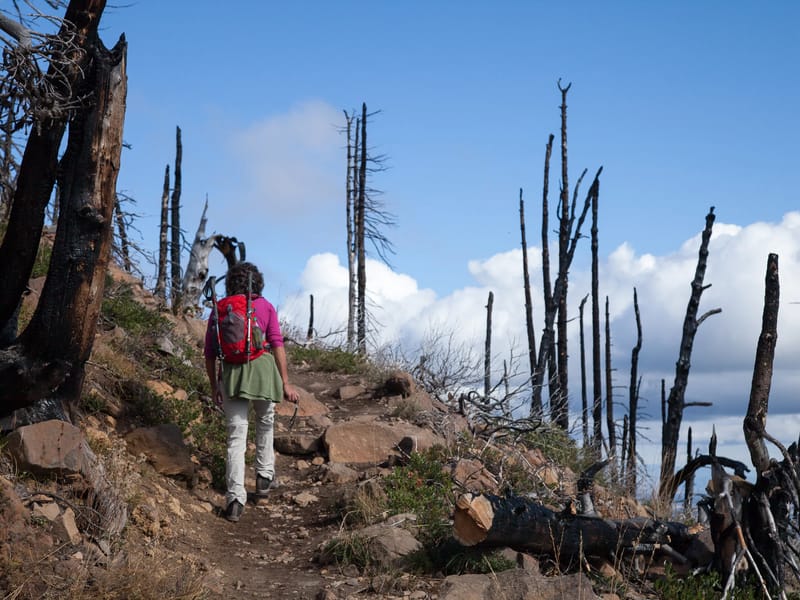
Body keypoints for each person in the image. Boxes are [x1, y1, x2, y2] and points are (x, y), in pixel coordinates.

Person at [204, 261, 299, 523]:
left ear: (230, 283)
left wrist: (214, 386)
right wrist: (285, 382)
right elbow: (277, 344)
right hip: (263, 372)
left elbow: (209, 353)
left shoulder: (219, 309)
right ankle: (264, 478)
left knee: (236, 437)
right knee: (265, 422)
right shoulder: (265, 306)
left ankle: (235, 500)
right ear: (257, 283)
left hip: (232, 374)